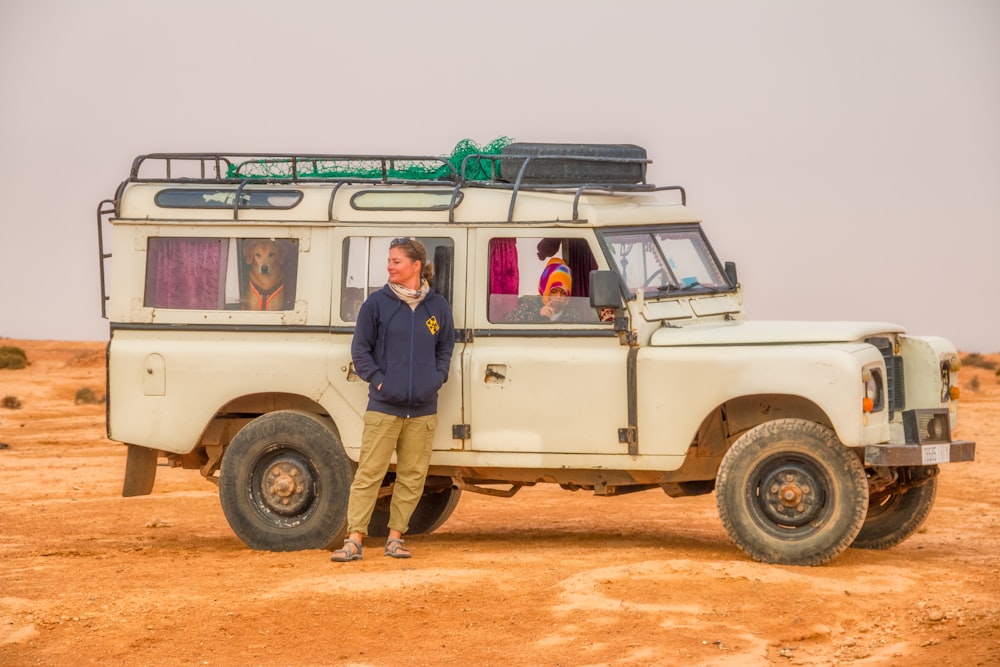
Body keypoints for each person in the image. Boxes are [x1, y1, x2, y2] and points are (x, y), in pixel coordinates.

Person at [331, 237, 456, 561]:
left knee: (412, 477)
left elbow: (445, 347)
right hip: (384, 407)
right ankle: (354, 539)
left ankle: (395, 538)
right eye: (389, 261)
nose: (390, 266)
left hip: (423, 410)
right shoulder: (377, 304)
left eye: (396, 261)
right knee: (370, 473)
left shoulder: (437, 307)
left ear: (416, 266)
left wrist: (436, 377)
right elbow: (360, 349)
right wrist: (380, 381)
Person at [504, 258, 585, 323]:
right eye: (553, 291)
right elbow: (507, 323)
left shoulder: (572, 313)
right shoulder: (530, 304)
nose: (558, 296)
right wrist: (538, 315)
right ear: (545, 289)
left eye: (563, 292)